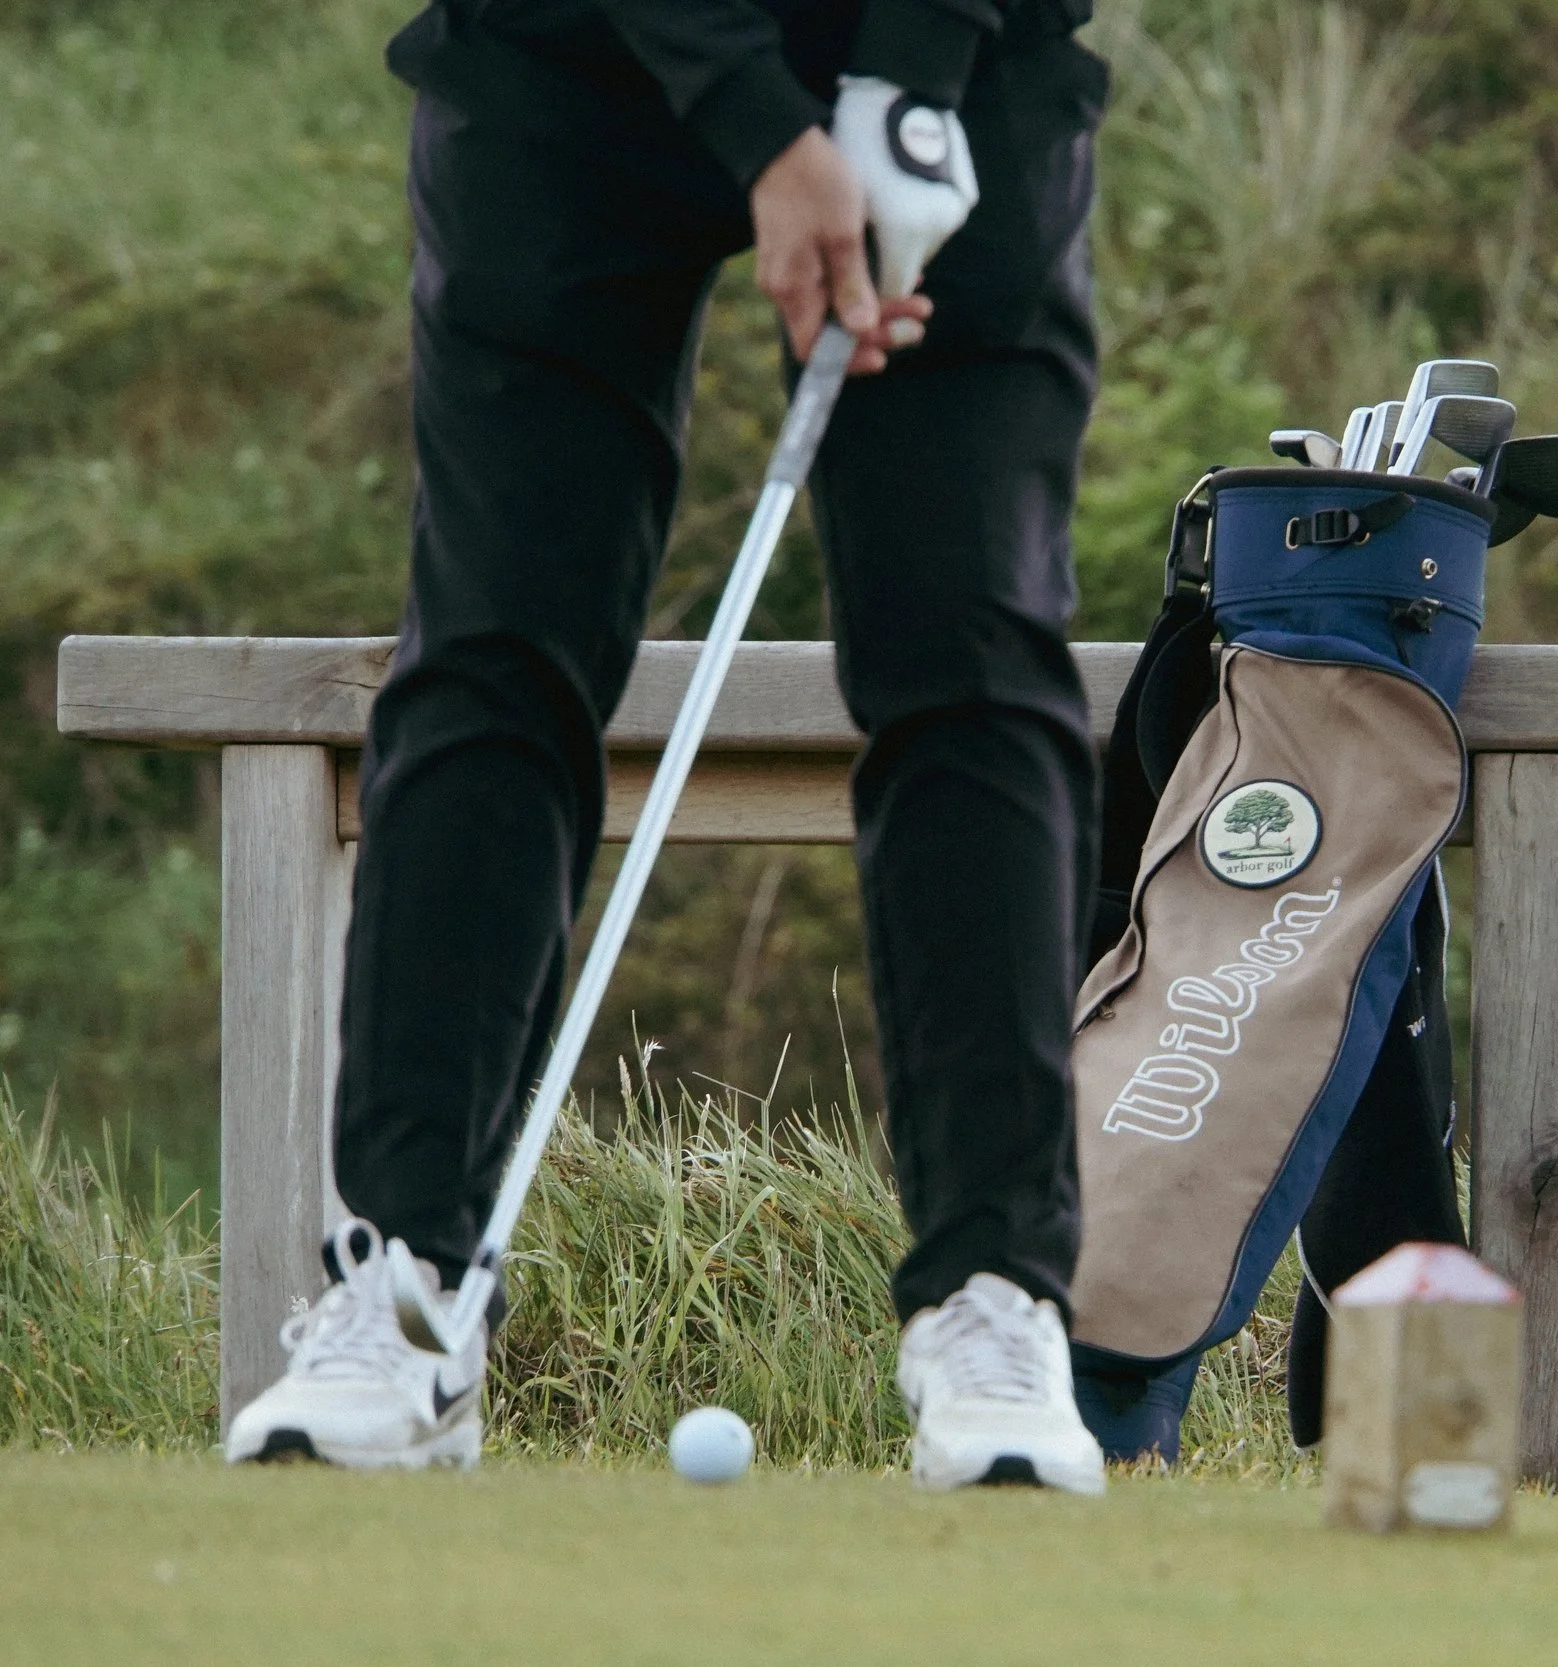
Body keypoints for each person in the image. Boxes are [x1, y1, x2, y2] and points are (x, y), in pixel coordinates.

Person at [222, 0, 1111, 1494]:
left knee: (968, 643)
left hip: (949, 63)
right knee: (499, 644)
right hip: (573, 55)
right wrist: (760, 123)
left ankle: (997, 1295)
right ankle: (408, 1280)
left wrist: (910, 78)